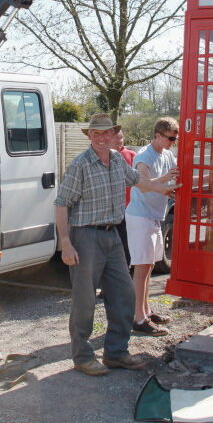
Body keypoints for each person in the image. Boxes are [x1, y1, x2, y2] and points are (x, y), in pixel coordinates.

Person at [54, 113, 178, 376]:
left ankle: (116, 353)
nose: (101, 138)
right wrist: (65, 242)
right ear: (90, 137)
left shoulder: (119, 160)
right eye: (96, 134)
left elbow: (139, 181)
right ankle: (83, 357)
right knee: (85, 300)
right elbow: (61, 203)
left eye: (106, 134)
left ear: (114, 136)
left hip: (113, 235)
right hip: (85, 237)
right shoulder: (81, 164)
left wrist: (166, 187)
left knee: (124, 294)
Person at [125, 117, 179, 336]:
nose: (173, 143)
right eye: (170, 138)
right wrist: (166, 181)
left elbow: (174, 177)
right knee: (140, 268)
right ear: (158, 135)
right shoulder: (143, 156)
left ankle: (146, 310)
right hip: (140, 216)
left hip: (155, 215)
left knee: (148, 267)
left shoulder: (167, 154)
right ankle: (137, 318)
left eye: (175, 139)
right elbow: (144, 185)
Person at [110, 129, 136, 266]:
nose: (119, 141)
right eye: (116, 138)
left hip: (127, 208)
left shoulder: (131, 155)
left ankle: (126, 268)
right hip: (109, 210)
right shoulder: (104, 156)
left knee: (125, 242)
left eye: (121, 138)